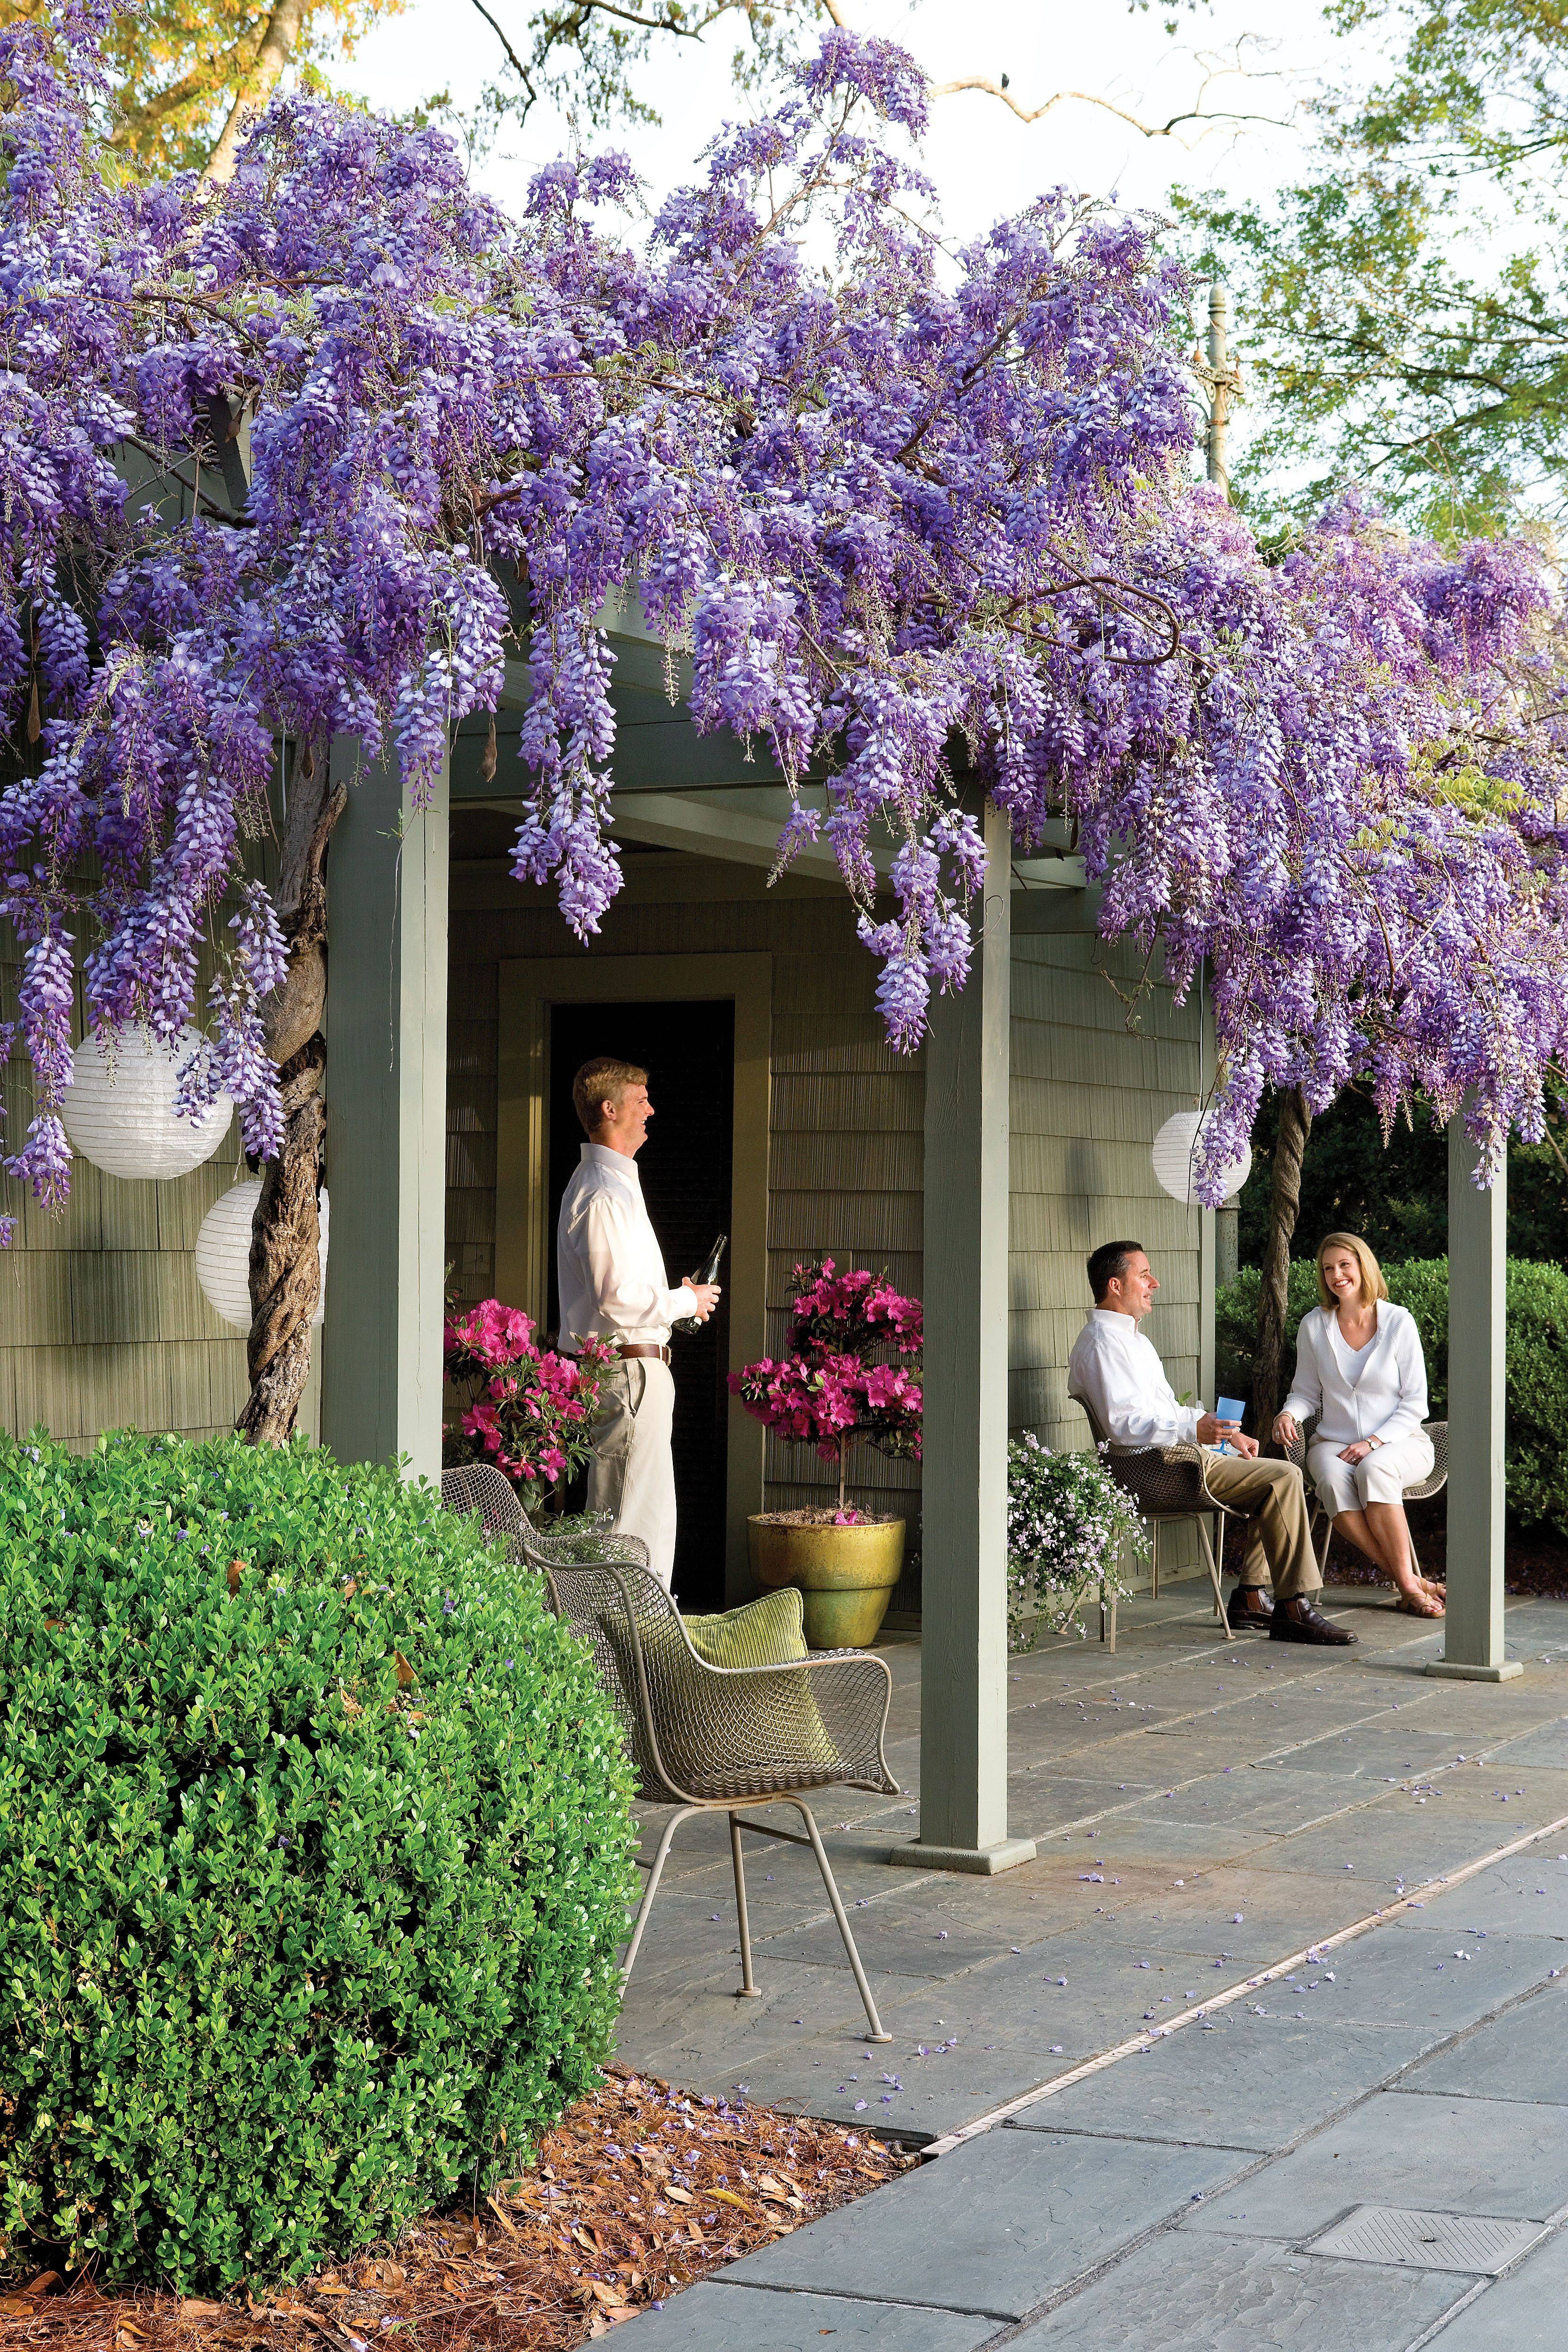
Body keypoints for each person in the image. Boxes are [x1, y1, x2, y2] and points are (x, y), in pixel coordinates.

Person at [1067, 1240, 1355, 1646]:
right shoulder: (1102, 1344)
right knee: (1284, 1476)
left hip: (1171, 1458)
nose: (1155, 1282)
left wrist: (1222, 1433)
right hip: (1153, 1470)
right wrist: (1195, 1431)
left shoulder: (1132, 1340)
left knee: (1264, 1475)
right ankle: (1294, 1606)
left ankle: (1252, 1596)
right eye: (1144, 1274)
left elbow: (1162, 1411)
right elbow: (1124, 1426)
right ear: (1115, 1285)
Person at [555, 1056, 721, 1592]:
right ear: (609, 1109)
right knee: (625, 1525)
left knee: (643, 1519)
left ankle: (635, 1649)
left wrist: (677, 1301)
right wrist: (683, 1300)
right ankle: (608, 1661)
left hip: (636, 1375)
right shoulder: (602, 1191)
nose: (651, 1109)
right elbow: (617, 1298)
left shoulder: (616, 1185)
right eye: (640, 1099)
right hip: (627, 1376)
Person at [1273, 1232, 1443, 1617]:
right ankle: (1411, 1584)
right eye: (1328, 1268)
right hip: (1332, 1443)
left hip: (1401, 1443)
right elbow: (1305, 1392)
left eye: (1345, 1265)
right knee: (1332, 1481)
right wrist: (1288, 1414)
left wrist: (1374, 1442)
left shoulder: (1399, 1322)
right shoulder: (1314, 1325)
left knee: (1374, 1467)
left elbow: (1416, 1403)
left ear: (1363, 1266)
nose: (1337, 1275)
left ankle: (1409, 1587)